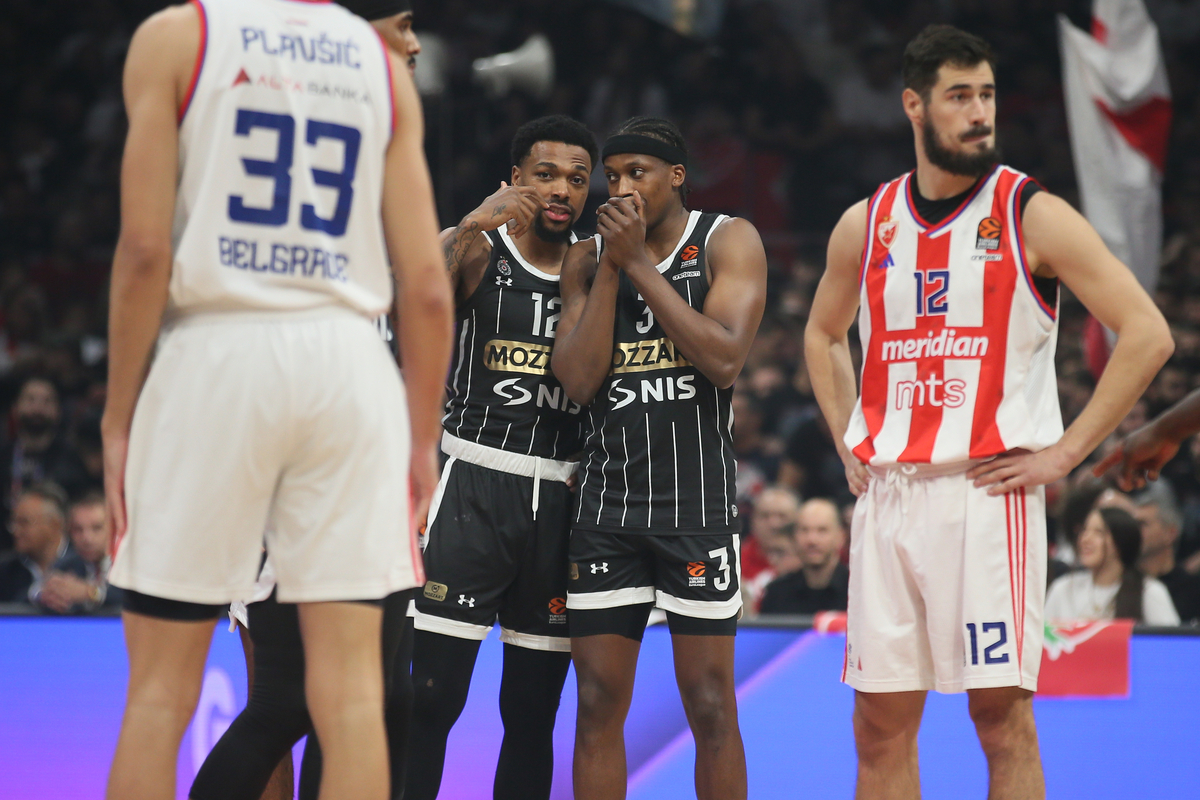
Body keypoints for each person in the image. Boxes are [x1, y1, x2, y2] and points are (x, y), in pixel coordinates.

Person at [804, 24, 1173, 800]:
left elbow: (1147, 334)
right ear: (914, 106)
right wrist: (847, 445)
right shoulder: (865, 224)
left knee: (1001, 724)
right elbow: (822, 332)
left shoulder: (1029, 211)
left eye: (988, 95)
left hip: (985, 493)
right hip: (889, 495)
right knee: (877, 726)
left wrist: (1065, 453)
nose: (980, 113)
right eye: (959, 97)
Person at [102, 1, 452, 799]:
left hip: (214, 351)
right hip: (350, 360)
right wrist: (423, 437)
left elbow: (146, 249)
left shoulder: (177, 36)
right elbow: (428, 291)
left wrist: (119, 416)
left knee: (159, 696)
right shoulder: (380, 66)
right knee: (355, 697)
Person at [187, 4, 427, 799]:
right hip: (320, 429)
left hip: (252, 409)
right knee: (303, 701)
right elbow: (427, 295)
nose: (416, 43)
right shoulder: (378, 116)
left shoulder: (232, 91)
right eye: (402, 23)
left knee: (341, 701)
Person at [553, 116, 767, 800]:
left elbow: (724, 359)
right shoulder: (587, 259)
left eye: (637, 173)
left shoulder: (728, 239)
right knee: (594, 703)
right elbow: (579, 382)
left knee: (709, 704)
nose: (621, 189)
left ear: (677, 176)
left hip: (695, 507)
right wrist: (615, 266)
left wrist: (640, 262)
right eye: (611, 178)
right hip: (607, 509)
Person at [405, 114, 597, 800]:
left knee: (532, 716)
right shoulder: (479, 249)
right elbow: (410, 307)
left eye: (578, 179)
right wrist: (470, 223)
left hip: (562, 497)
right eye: (545, 174)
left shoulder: (598, 264)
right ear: (516, 179)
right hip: (473, 482)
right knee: (430, 697)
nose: (561, 190)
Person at [1045, 507, 1179, 625]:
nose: (1085, 539)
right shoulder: (1062, 589)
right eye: (1085, 530)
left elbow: (1173, 645)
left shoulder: (1149, 591)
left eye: (1098, 532)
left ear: (1120, 541)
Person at [0, 376, 89, 551]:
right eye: (30, 399)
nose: (38, 408)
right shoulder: (3, 456)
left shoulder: (73, 459)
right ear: (15, 408)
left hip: (58, 554)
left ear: (58, 411)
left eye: (47, 401)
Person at [759, 498, 848, 615]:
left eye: (822, 531)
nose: (812, 540)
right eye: (804, 530)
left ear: (840, 537)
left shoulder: (859, 592)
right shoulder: (776, 593)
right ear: (794, 536)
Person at [39, 492, 121, 613]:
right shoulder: (66, 565)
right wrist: (44, 595)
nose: (87, 538)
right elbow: (29, 594)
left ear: (112, 529)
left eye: (96, 528)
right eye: (78, 529)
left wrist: (91, 593)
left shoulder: (127, 565)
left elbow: (133, 599)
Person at [1133, 485, 1200, 623]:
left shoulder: (1194, 590)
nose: (1134, 531)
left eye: (1143, 524)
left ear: (1170, 533)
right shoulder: (1125, 583)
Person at [0, 483, 72, 606]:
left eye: (24, 522)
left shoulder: (84, 565)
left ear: (54, 525)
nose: (15, 531)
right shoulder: (5, 572)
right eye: (14, 522)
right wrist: (37, 594)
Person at [740, 486, 802, 612]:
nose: (774, 524)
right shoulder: (734, 560)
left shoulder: (808, 563)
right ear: (752, 520)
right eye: (765, 516)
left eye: (782, 516)